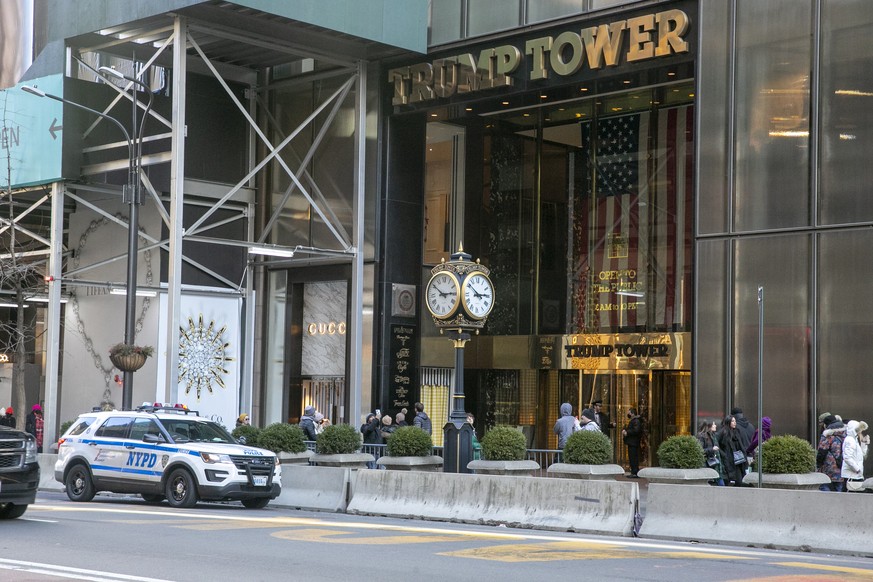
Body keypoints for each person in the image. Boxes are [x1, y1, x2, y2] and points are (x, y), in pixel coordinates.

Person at [817, 415, 846, 492]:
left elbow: (822, 451)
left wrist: (818, 464)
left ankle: (827, 503)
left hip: (828, 465)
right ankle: (839, 503)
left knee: (823, 485)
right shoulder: (844, 434)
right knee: (839, 487)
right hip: (841, 465)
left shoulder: (827, 435)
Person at [718, 415, 750, 486]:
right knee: (733, 480)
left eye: (735, 421)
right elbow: (717, 444)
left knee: (740, 480)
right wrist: (723, 454)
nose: (734, 423)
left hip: (738, 460)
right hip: (729, 460)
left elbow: (741, 445)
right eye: (732, 421)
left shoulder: (737, 432)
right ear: (728, 422)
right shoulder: (723, 432)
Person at [841, 420, 869, 492]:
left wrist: (864, 444)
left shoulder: (854, 440)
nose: (860, 432)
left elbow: (861, 455)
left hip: (853, 474)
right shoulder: (850, 440)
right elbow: (847, 457)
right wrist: (857, 469)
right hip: (851, 474)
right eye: (859, 430)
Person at [696, 420, 725, 486]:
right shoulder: (702, 437)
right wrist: (712, 449)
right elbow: (700, 450)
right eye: (714, 424)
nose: (715, 426)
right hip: (707, 464)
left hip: (715, 464)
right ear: (709, 426)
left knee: (721, 483)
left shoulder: (713, 436)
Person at [622, 408, 643, 478]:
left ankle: (635, 472)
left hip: (633, 442)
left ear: (632, 413)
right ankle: (634, 471)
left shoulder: (636, 421)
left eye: (629, 413)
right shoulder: (634, 421)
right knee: (632, 457)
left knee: (633, 457)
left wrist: (627, 432)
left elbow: (636, 430)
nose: (628, 414)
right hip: (632, 442)